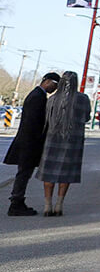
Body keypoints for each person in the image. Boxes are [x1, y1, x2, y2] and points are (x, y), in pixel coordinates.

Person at [4, 73, 60, 216]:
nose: (55, 88)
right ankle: (16, 203)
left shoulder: (37, 95)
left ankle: (17, 201)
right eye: (54, 84)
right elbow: (35, 123)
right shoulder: (38, 97)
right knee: (24, 173)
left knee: (24, 173)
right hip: (29, 142)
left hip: (28, 141)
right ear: (46, 81)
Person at [38, 71, 90, 217]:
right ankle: (59, 205)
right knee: (65, 174)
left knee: (49, 174)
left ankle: (47, 205)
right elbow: (86, 117)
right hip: (72, 141)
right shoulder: (83, 99)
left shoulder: (53, 99)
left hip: (52, 140)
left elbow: (46, 119)